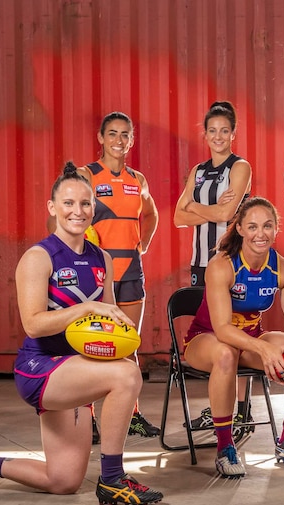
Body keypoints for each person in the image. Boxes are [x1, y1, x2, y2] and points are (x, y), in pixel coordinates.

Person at [0, 163, 163, 505]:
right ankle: (113, 479)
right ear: (52, 208)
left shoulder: (103, 259)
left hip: (77, 369)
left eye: (85, 203)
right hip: (39, 369)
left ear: (93, 208)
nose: (78, 211)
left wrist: (122, 341)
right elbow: (34, 324)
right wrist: (86, 309)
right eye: (68, 203)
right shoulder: (39, 257)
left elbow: (110, 321)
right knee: (127, 376)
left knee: (63, 480)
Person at [183, 197, 284, 477]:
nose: (260, 234)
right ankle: (225, 447)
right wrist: (263, 348)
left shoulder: (283, 268)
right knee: (226, 353)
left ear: (276, 230)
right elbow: (222, 329)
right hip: (206, 339)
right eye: (252, 226)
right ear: (240, 229)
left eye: (267, 226)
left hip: (249, 339)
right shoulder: (222, 265)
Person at [78, 111, 160, 441]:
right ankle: (89, 418)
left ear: (132, 140)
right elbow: (64, 217)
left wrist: (143, 244)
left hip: (130, 270)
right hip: (96, 274)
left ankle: (133, 414)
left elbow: (150, 213)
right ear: (100, 138)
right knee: (91, 345)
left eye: (125, 134)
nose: (119, 140)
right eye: (112, 133)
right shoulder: (86, 174)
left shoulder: (137, 179)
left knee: (128, 345)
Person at [173, 101, 253, 436]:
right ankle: (220, 409)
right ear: (205, 135)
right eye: (212, 131)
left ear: (233, 134)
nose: (218, 136)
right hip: (200, 263)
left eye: (224, 130)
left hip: (232, 263)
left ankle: (241, 413)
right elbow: (178, 217)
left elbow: (227, 215)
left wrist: (195, 205)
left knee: (238, 330)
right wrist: (208, 209)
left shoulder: (240, 167)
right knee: (210, 335)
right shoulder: (198, 170)